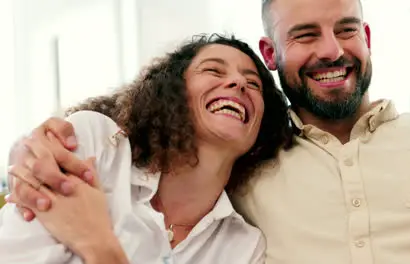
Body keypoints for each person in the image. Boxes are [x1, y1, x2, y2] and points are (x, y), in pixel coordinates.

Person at [5, 0, 410, 263]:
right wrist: (27, 154)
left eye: (346, 30)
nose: (332, 50)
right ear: (272, 51)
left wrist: (95, 245)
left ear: (367, 38)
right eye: (305, 35)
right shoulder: (95, 148)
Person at [0, 34, 293, 263]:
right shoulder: (94, 143)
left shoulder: (242, 247)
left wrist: (98, 244)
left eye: (253, 84)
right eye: (213, 70)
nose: (238, 82)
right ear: (172, 91)